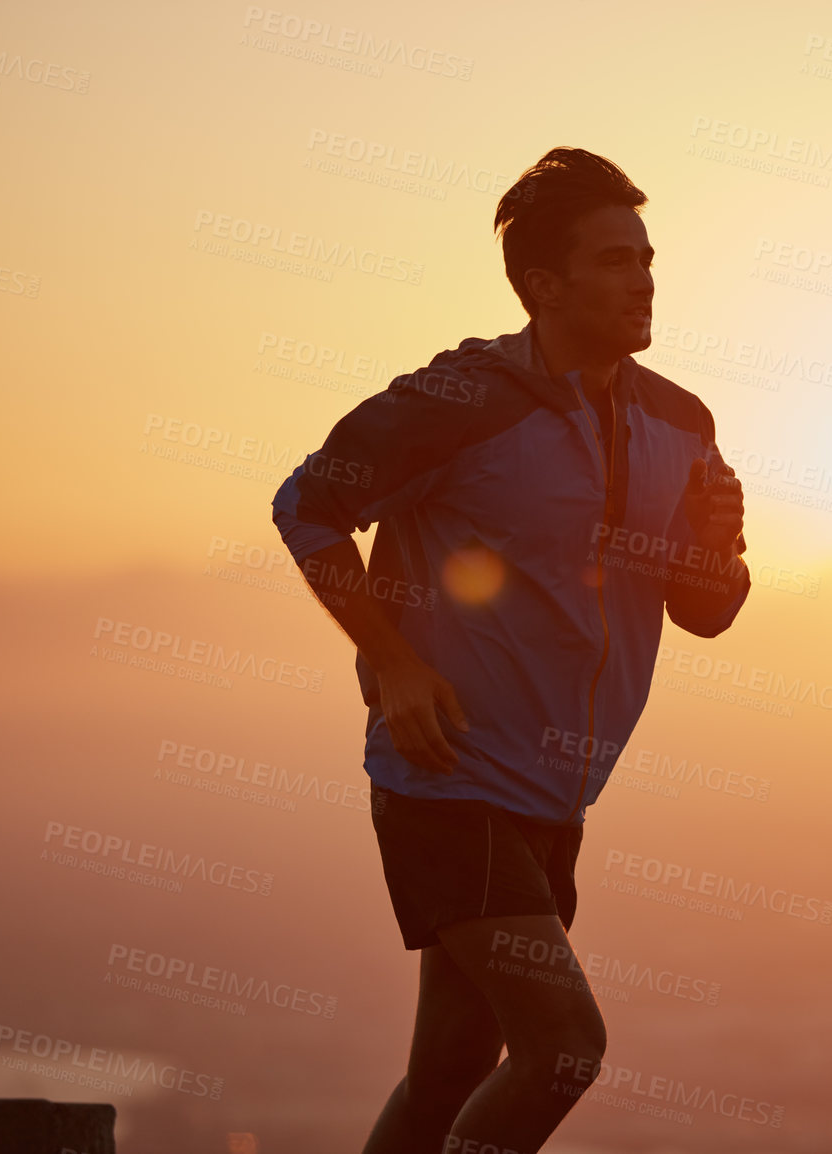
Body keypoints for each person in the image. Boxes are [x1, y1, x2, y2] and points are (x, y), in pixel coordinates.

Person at [271, 147, 751, 1154]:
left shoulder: (680, 421)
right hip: (447, 775)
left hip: (555, 796)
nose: (644, 277)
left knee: (447, 1071)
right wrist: (394, 661)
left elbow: (707, 611)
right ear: (543, 283)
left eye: (647, 255)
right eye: (615, 259)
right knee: (564, 1047)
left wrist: (721, 541)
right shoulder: (460, 401)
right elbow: (307, 505)